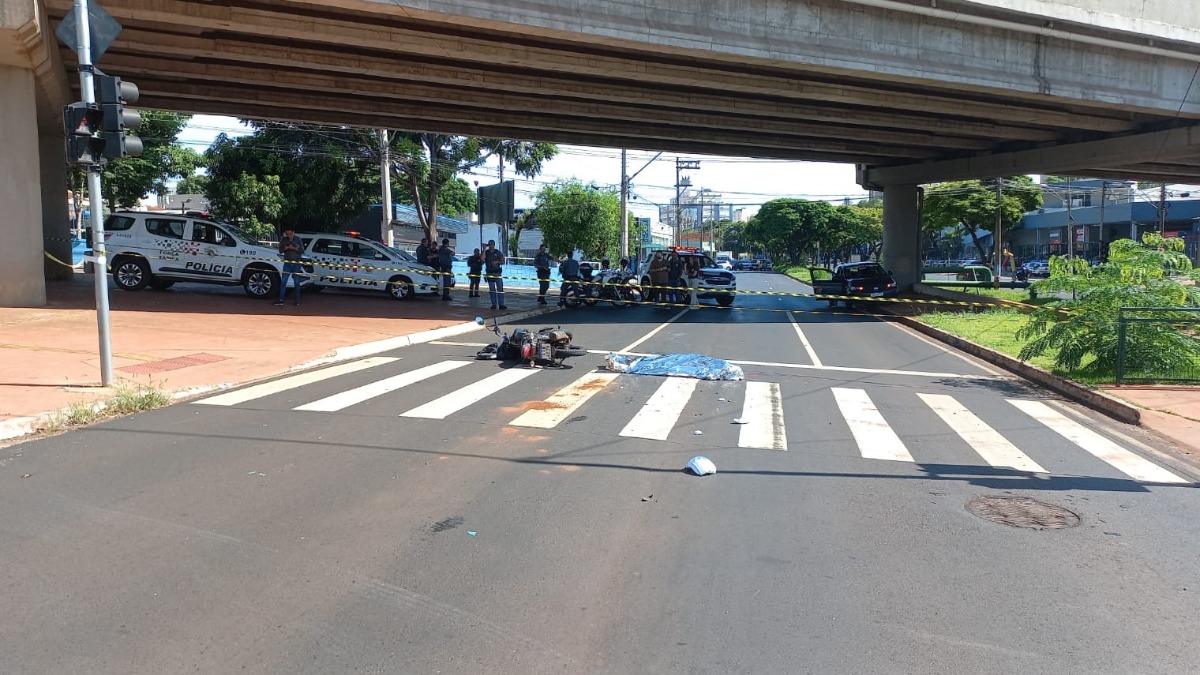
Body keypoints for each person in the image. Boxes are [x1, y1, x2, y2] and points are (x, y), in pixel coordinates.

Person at [274, 227, 304, 306]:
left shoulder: (298, 239)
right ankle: (281, 300)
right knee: (283, 281)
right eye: (287, 234)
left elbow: (302, 251)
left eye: (290, 234)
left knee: (297, 282)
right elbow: (280, 250)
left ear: (293, 232)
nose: (289, 235)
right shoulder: (284, 240)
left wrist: (294, 248)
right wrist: (286, 248)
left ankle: (296, 301)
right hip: (287, 263)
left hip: (296, 263)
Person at [484, 239, 506, 310]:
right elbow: (482, 259)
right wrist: (484, 249)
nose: (490, 246)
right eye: (489, 245)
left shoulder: (498, 252)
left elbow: (503, 261)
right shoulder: (486, 252)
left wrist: (497, 262)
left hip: (497, 272)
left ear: (494, 245)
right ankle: (493, 304)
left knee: (500, 288)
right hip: (489, 273)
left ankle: (501, 304)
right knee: (492, 289)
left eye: (491, 245)